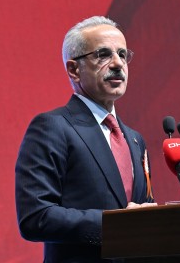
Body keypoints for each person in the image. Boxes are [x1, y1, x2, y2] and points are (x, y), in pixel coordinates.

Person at [15, 16, 156, 262]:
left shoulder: (135, 140)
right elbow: (36, 217)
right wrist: (116, 224)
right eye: (103, 54)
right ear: (74, 70)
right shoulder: (53, 127)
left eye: (122, 55)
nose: (117, 64)